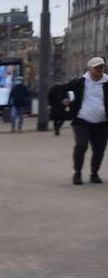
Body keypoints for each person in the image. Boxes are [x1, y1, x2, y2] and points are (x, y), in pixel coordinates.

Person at [60, 56, 108, 185]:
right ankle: (77, 173)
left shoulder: (107, 81)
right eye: (96, 67)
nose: (99, 69)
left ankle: (94, 173)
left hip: (102, 122)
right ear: (89, 68)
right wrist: (65, 100)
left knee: (99, 150)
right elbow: (61, 90)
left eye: (101, 66)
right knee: (81, 145)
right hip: (82, 120)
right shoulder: (79, 82)